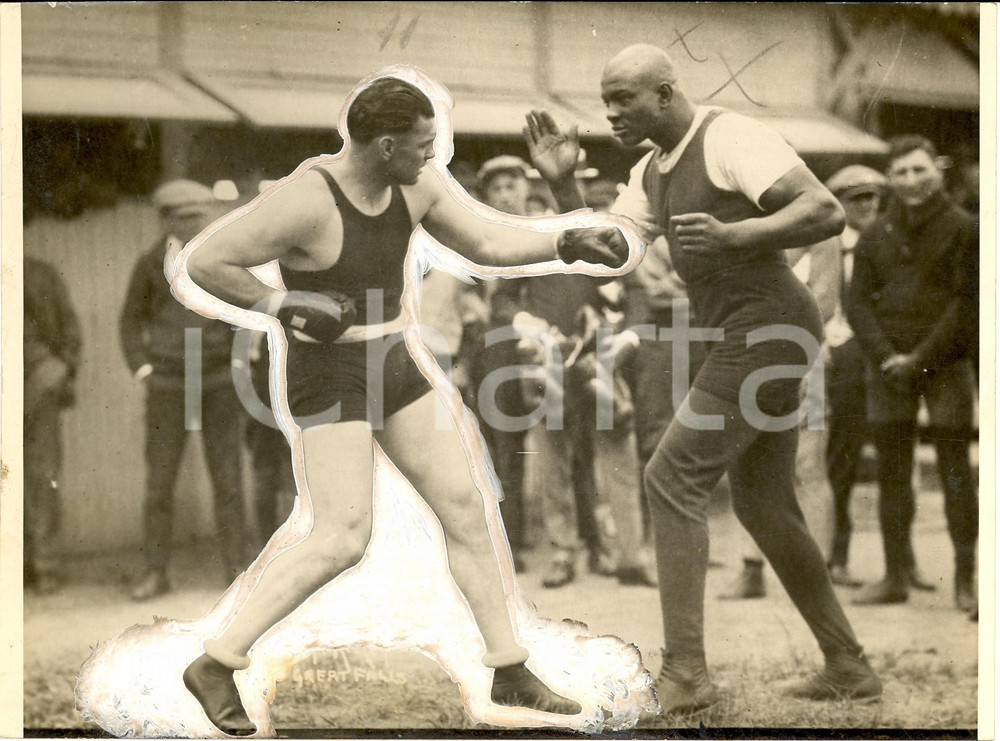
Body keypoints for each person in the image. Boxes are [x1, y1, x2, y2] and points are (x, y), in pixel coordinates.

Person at [174, 74, 635, 733]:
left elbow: (488, 241)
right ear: (385, 145)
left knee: (466, 504)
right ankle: (216, 661)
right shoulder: (307, 196)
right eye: (423, 144)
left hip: (392, 358)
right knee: (342, 535)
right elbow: (207, 262)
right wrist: (279, 302)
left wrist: (566, 241)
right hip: (327, 371)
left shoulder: (416, 181)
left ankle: (509, 667)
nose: (434, 155)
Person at [525, 44, 881, 712]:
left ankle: (685, 671)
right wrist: (563, 187)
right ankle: (848, 664)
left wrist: (738, 237)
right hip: (747, 336)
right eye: (604, 102)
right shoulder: (652, 171)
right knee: (764, 505)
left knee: (671, 474)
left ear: (665, 93)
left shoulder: (729, 137)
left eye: (623, 98)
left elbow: (824, 210)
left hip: (773, 328)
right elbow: (611, 258)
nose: (610, 114)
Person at [846, 135, 978, 612]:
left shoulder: (966, 228)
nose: (911, 181)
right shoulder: (875, 234)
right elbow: (857, 302)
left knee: (955, 470)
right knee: (893, 474)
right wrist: (885, 356)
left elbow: (967, 305)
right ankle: (895, 576)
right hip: (889, 368)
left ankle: (966, 579)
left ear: (938, 170)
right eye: (901, 173)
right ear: (890, 180)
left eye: (919, 170)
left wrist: (918, 357)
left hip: (944, 363)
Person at [119, 179, 251, 601]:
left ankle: (236, 570)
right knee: (159, 483)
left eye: (202, 215)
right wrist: (143, 368)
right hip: (168, 384)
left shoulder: (221, 259)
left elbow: (246, 313)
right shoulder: (148, 263)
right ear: (166, 220)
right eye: (188, 217)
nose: (198, 223)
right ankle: (156, 572)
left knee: (228, 478)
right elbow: (129, 320)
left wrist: (237, 361)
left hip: (217, 381)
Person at [822, 165, 888, 588]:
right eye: (856, 198)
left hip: (882, 354)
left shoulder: (887, 243)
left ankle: (904, 562)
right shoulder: (826, 244)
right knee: (841, 456)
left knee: (892, 454)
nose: (867, 206)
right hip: (841, 354)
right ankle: (836, 555)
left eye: (873, 198)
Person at [24, 256, 82, 594]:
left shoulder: (39, 273)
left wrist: (59, 371)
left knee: (41, 473)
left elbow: (69, 330)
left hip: (36, 378)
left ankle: (44, 565)